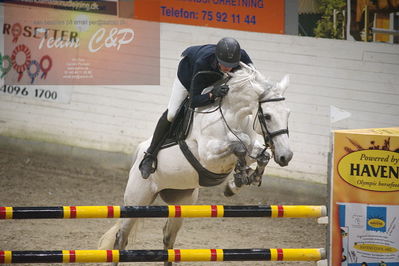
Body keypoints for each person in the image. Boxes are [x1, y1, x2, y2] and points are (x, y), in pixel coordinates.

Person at [139, 37, 254, 179]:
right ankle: (149, 155)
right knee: (172, 113)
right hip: (189, 75)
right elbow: (194, 100)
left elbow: (252, 79)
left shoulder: (241, 57)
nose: (228, 68)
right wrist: (212, 95)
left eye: (231, 65)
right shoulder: (202, 62)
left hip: (214, 77)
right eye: (224, 64)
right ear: (217, 58)